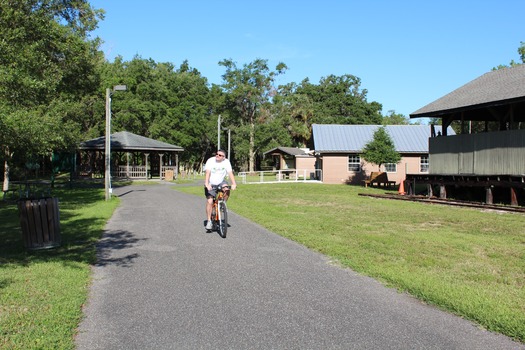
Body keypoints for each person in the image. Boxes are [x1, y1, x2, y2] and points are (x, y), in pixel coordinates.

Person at [204, 150, 237, 230]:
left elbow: (230, 173)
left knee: (227, 189)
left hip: (221, 181)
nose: (217, 156)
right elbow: (207, 173)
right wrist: (207, 183)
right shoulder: (210, 161)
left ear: (224, 157)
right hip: (211, 183)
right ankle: (209, 221)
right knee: (210, 201)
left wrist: (234, 183)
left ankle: (223, 204)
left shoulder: (226, 162)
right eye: (217, 154)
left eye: (220, 155)